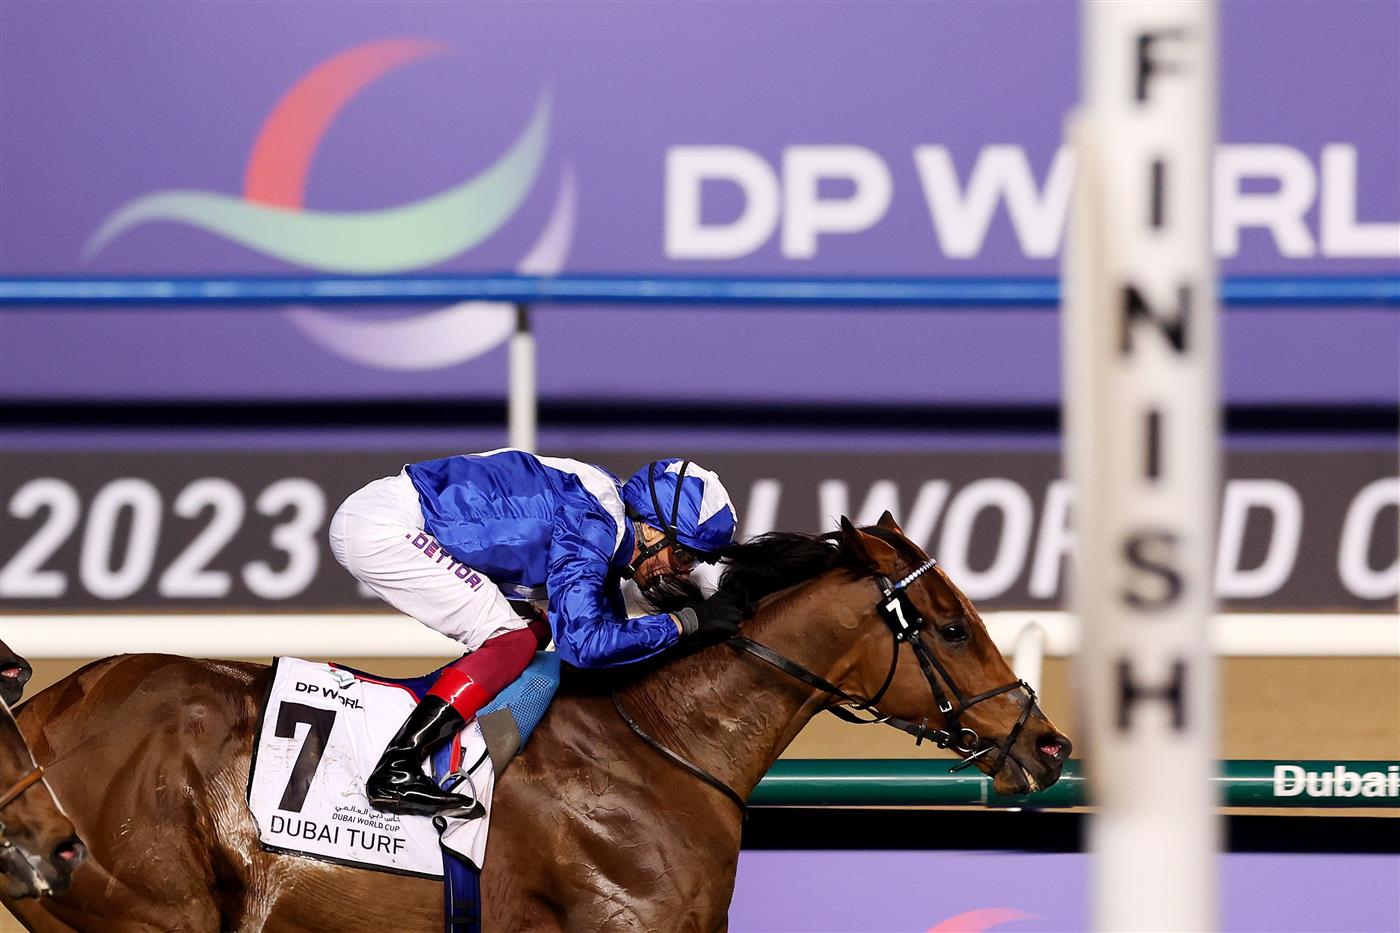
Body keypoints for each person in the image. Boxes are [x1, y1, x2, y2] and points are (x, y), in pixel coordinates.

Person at [329, 449, 744, 817]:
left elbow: (601, 654)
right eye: (684, 553)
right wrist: (685, 623)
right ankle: (397, 767)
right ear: (652, 529)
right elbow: (584, 647)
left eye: (695, 561)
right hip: (385, 526)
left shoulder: (608, 522)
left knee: (533, 628)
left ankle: (476, 748)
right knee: (513, 638)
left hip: (394, 514)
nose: (685, 570)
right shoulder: (594, 523)